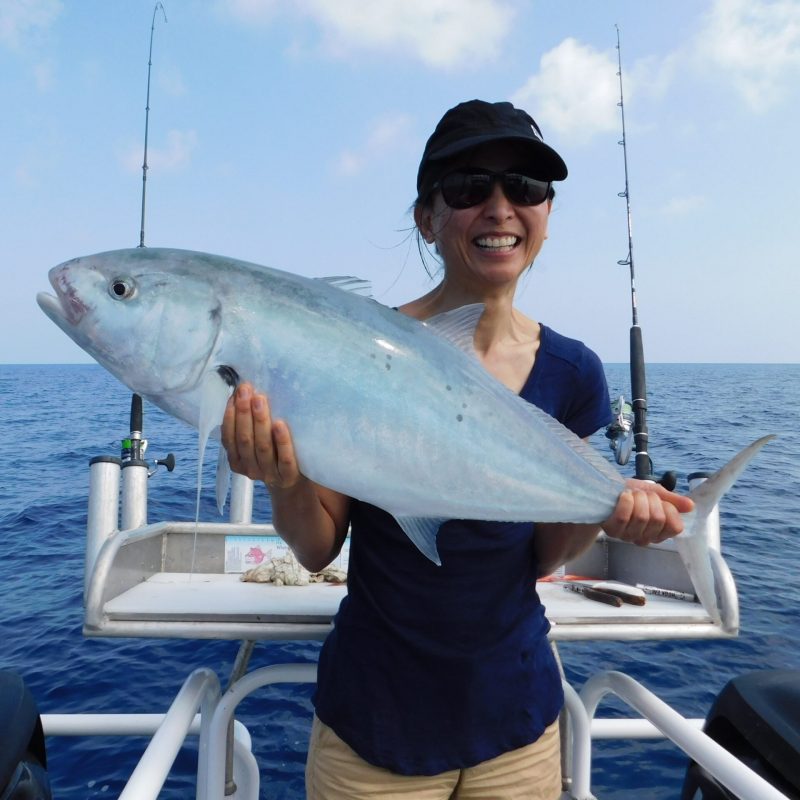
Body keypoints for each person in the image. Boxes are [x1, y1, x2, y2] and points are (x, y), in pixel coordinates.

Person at [221, 99, 693, 799]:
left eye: (525, 188)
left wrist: (606, 510)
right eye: (470, 187)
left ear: (547, 213)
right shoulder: (355, 350)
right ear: (428, 217)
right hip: (373, 726)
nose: (500, 208)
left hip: (516, 722)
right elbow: (319, 550)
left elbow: (544, 555)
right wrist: (282, 478)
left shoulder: (573, 371)